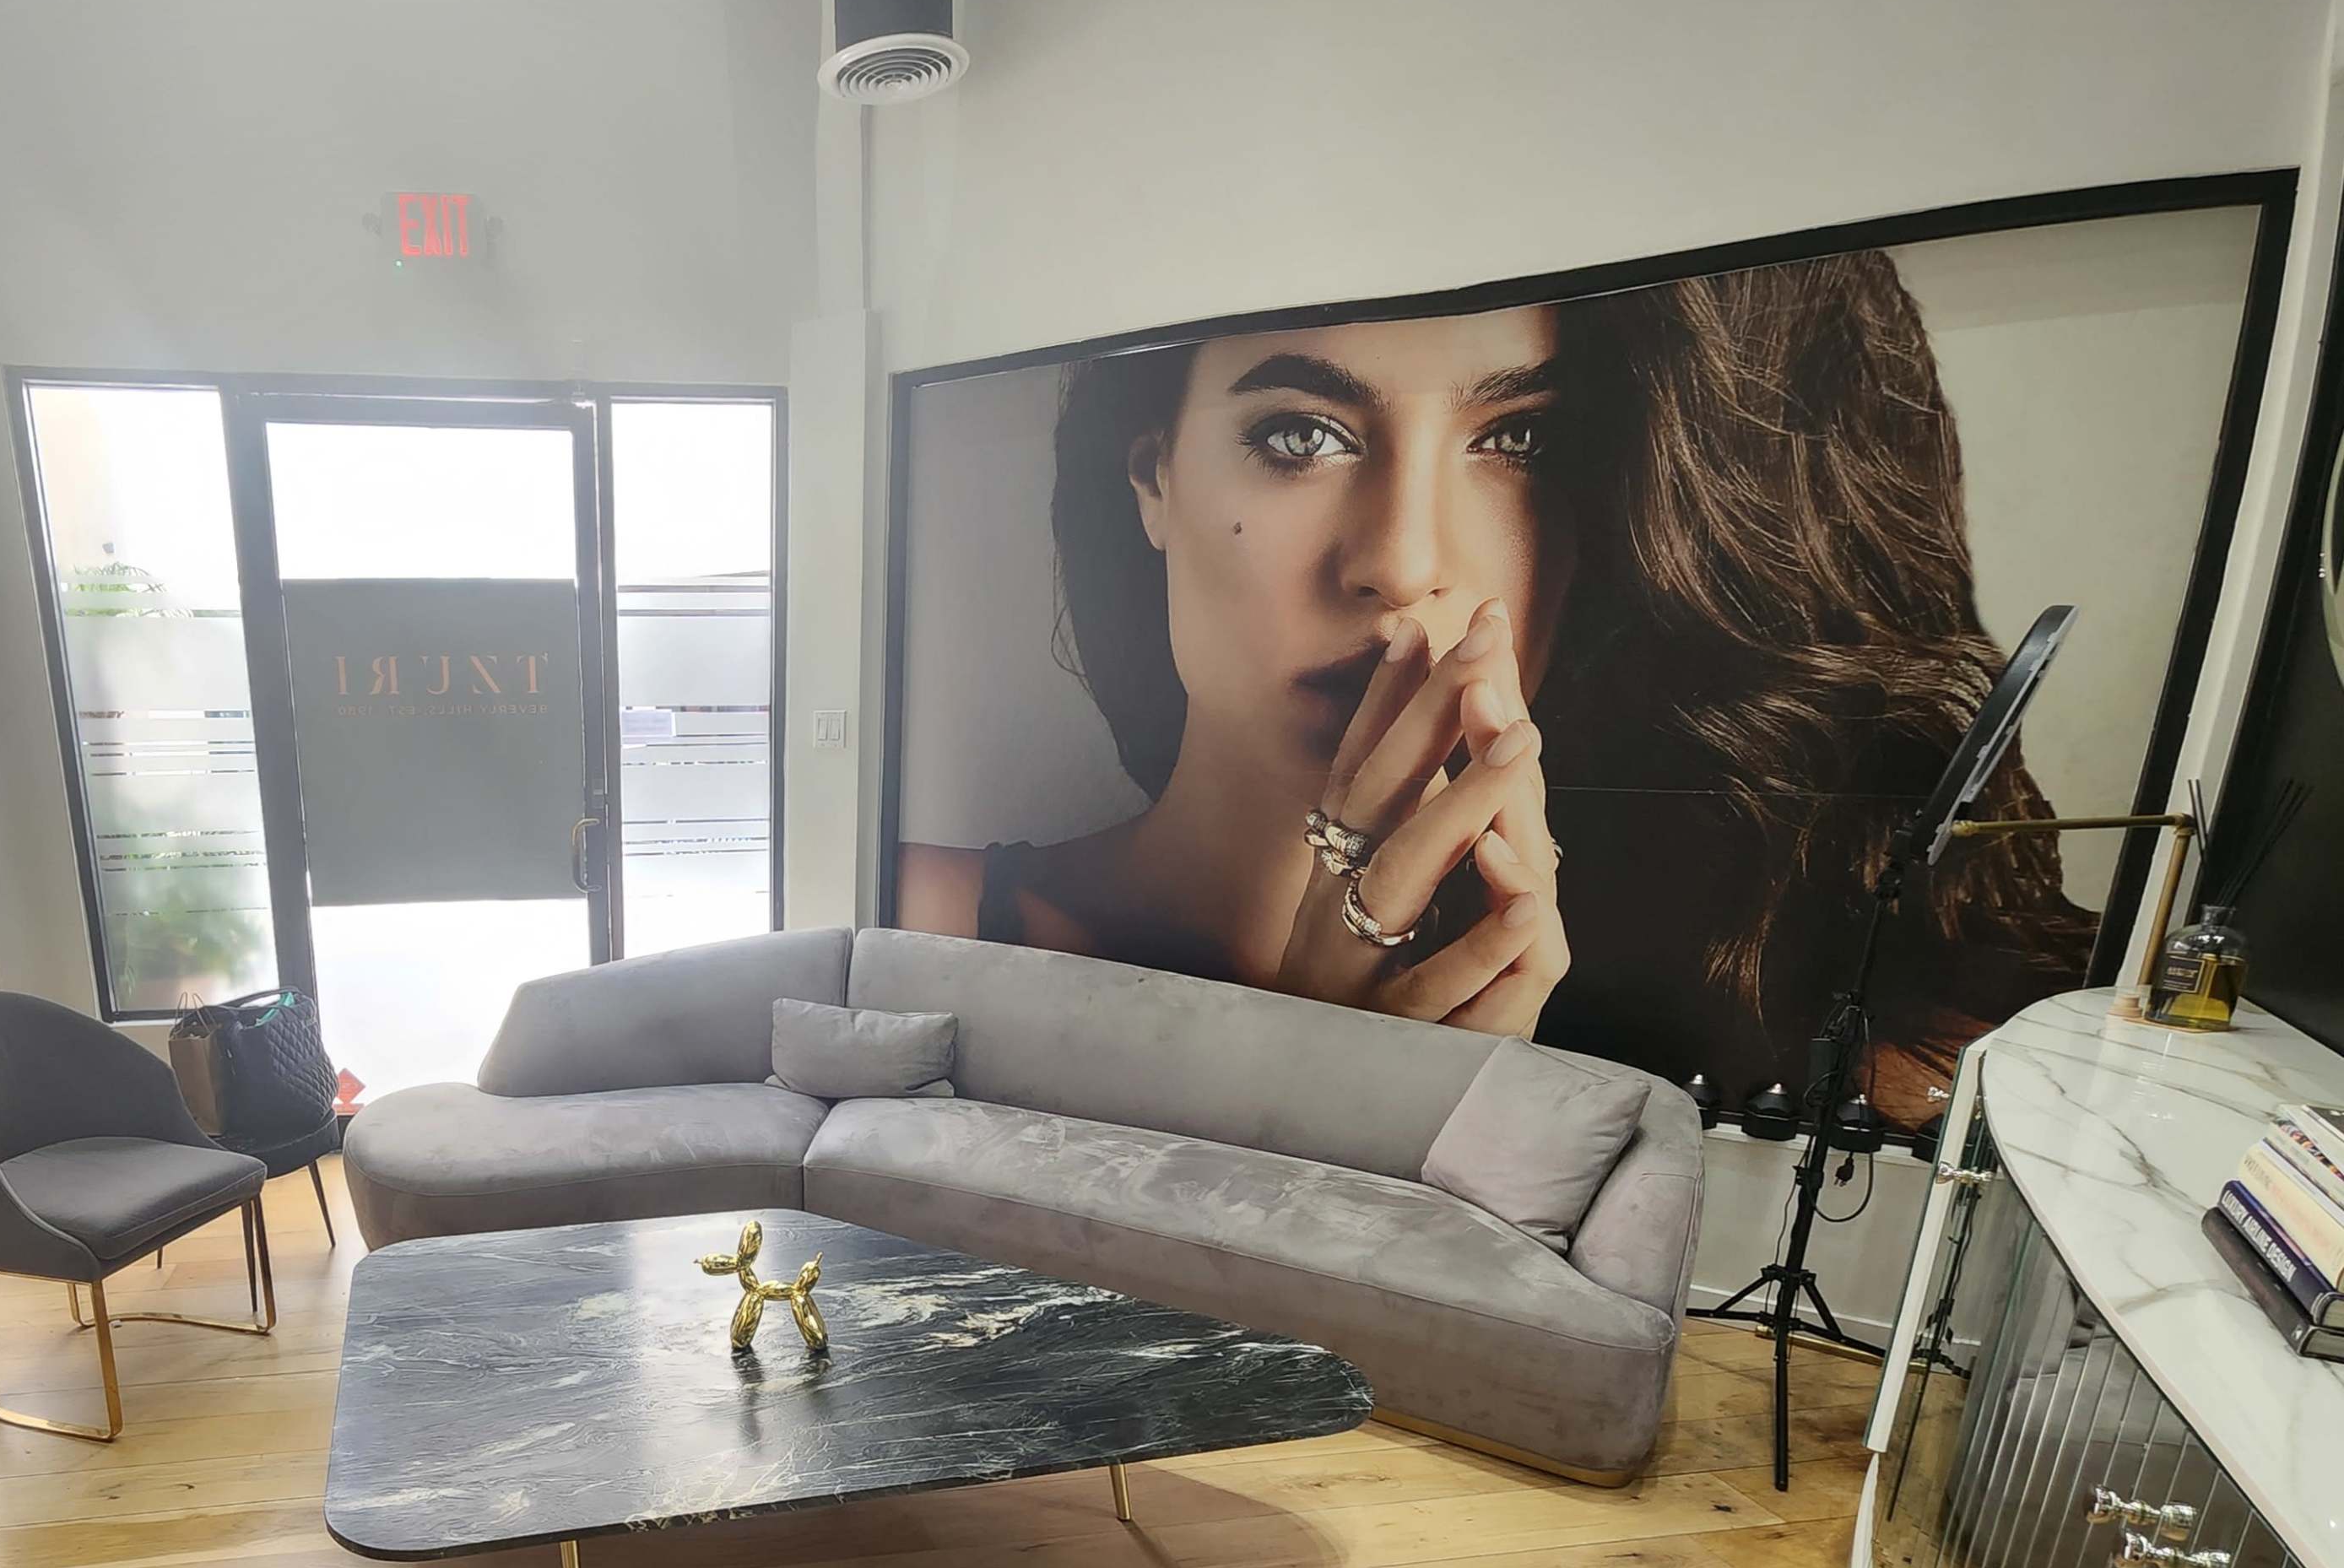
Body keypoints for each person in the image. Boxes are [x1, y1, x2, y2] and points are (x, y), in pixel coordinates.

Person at [895, 250, 2093, 1117]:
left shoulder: (1767, 1012)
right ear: (1155, 478)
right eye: (1301, 434)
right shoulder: (923, 933)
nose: (1403, 563)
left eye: (1519, 443)